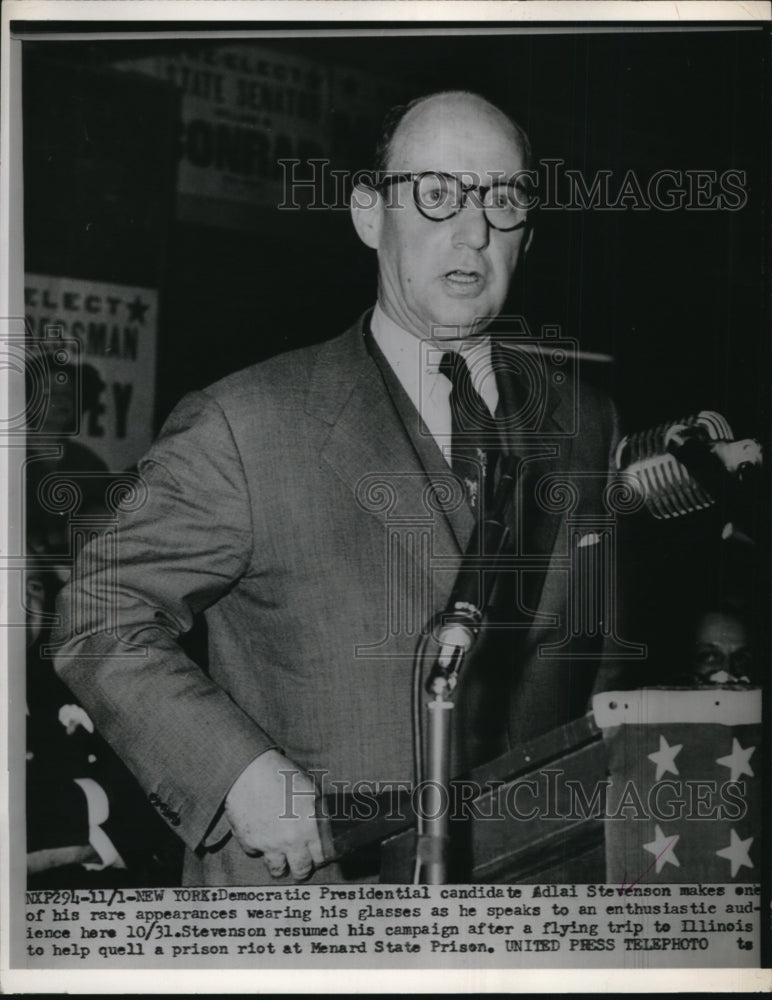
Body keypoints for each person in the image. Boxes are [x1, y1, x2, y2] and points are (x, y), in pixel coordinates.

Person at [53, 91, 620, 885]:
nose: (473, 230)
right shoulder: (245, 422)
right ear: (367, 214)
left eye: (504, 197)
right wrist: (237, 773)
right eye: (436, 194)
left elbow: (594, 654)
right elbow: (98, 613)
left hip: (529, 905)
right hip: (316, 912)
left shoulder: (584, 419)